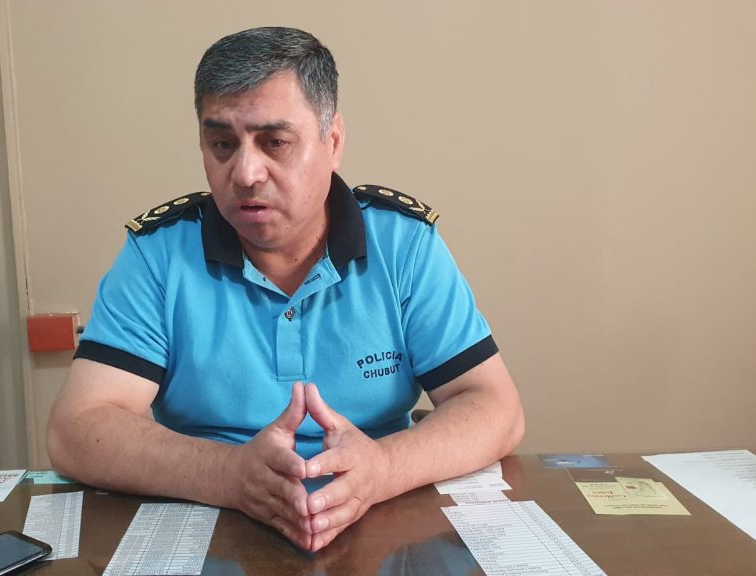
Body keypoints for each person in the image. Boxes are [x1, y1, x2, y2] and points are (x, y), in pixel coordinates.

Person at [46, 26, 524, 553]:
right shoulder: (159, 255)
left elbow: (495, 407)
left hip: (377, 522)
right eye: (222, 144)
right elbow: (78, 427)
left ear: (332, 141)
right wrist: (231, 475)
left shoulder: (402, 245)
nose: (246, 173)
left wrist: (384, 468)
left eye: (275, 142)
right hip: (212, 522)